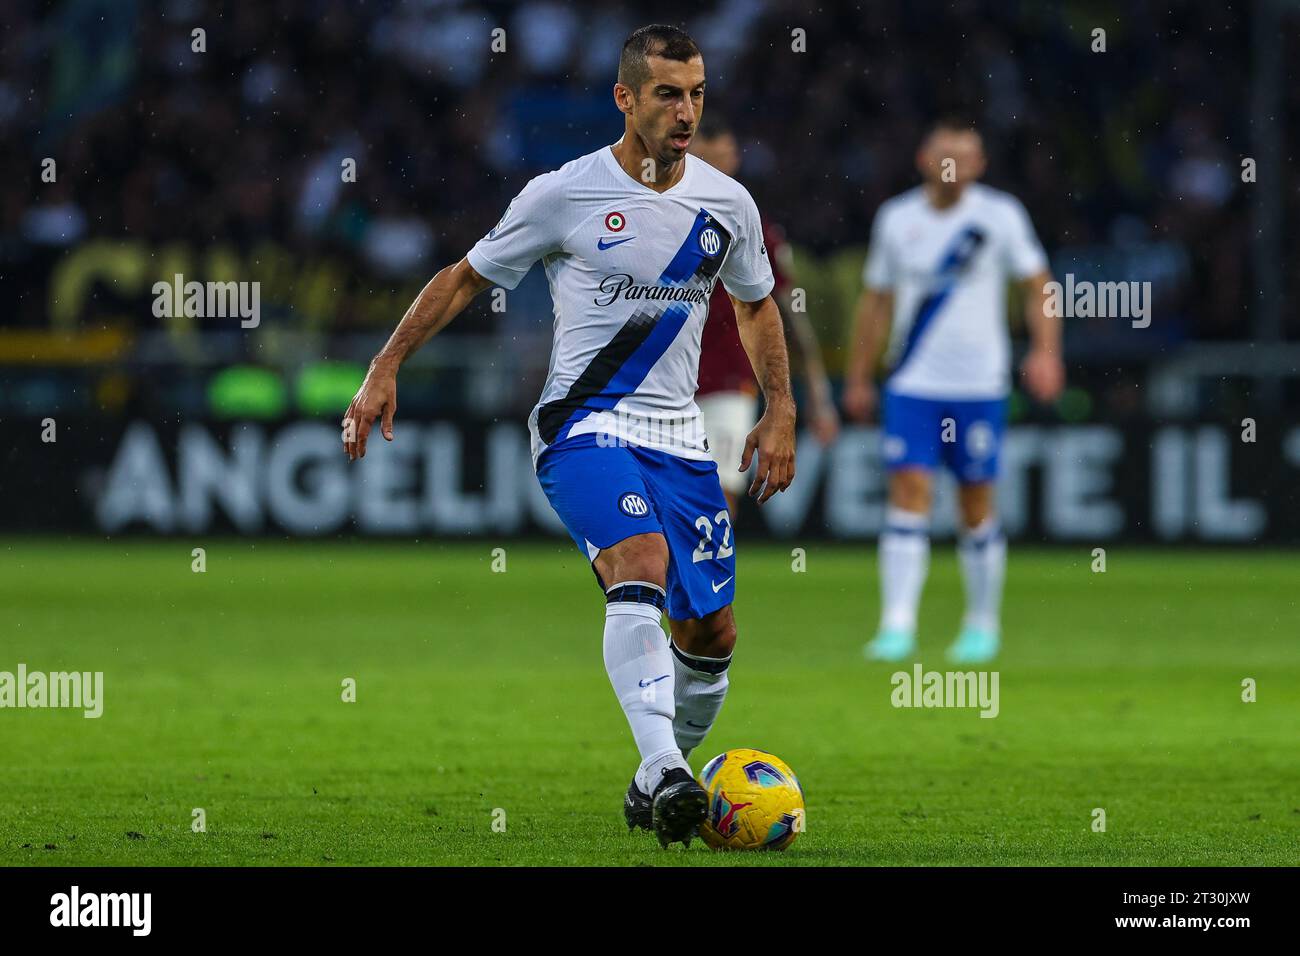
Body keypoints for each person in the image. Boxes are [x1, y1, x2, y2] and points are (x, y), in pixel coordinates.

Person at [342, 24, 796, 847]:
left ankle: (655, 776)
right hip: (582, 425)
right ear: (625, 98)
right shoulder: (564, 192)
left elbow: (757, 302)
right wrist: (386, 364)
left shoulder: (728, 203)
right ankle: (665, 770)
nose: (686, 110)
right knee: (641, 564)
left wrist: (782, 408)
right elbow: (463, 280)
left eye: (696, 93)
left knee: (712, 634)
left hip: (681, 436)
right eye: (667, 93)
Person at [843, 118, 1063, 664]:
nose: (954, 166)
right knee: (908, 494)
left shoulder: (1000, 215)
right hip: (913, 382)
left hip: (979, 385)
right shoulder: (897, 218)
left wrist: (1046, 351)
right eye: (945, 154)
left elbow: (1040, 286)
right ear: (923, 157)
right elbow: (876, 302)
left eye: (965, 157)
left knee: (975, 502)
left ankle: (982, 624)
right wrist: (858, 376)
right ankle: (897, 626)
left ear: (980, 165)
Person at [690, 117, 839, 515]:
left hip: (728, 380)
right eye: (706, 161)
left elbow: (789, 315)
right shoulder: (657, 215)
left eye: (721, 160)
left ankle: (702, 578)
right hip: (663, 380)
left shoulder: (753, 226)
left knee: (716, 498)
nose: (715, 171)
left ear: (735, 160)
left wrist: (818, 396)